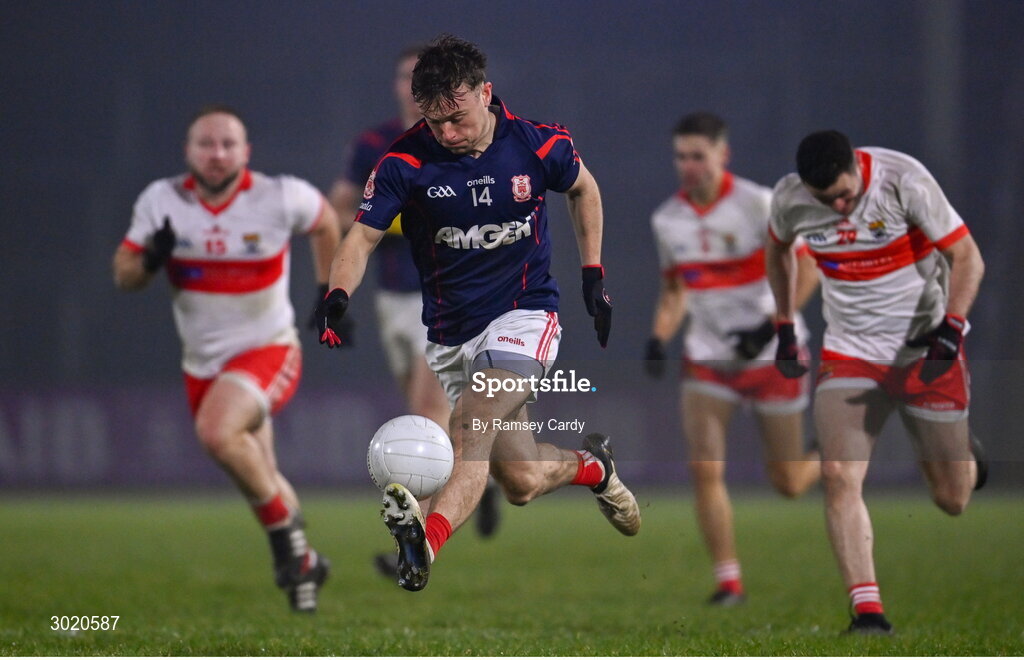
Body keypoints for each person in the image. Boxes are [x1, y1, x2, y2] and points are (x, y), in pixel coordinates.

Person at [315, 34, 641, 592]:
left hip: (524, 315)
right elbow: (361, 238)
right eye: (434, 122)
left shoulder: (540, 144)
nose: (447, 133)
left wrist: (593, 274)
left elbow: (584, 189)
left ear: (485, 93)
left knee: (469, 423)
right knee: (522, 479)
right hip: (450, 334)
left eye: (457, 118)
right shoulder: (404, 161)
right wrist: (336, 296)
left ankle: (425, 544)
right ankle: (594, 467)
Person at [113, 105, 340, 612]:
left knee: (217, 434)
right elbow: (123, 274)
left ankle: (287, 547)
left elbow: (325, 221)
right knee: (261, 469)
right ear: (188, 151)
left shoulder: (278, 194)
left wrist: (329, 292)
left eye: (227, 144)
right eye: (206, 144)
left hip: (269, 349)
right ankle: (306, 573)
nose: (217, 154)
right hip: (202, 365)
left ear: (246, 152)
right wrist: (150, 259)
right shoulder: (161, 200)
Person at [766, 130, 987, 634]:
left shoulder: (903, 179)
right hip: (851, 351)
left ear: (858, 168)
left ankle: (969, 461)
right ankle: (868, 612)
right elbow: (777, 252)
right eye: (828, 201)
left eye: (846, 195)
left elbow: (968, 257)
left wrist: (951, 332)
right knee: (840, 473)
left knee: (953, 499)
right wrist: (783, 326)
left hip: (925, 347)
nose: (840, 207)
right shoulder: (791, 198)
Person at [328, 46, 502, 558]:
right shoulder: (377, 145)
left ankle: (416, 540)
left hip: (447, 298)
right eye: (405, 77)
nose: (412, 86)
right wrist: (388, 220)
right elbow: (340, 212)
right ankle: (481, 482)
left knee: (425, 416)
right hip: (392, 297)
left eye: (420, 77)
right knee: (426, 413)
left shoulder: (464, 143)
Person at [645, 112, 822, 607]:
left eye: (698, 155)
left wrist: (771, 327)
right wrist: (660, 337)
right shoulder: (668, 219)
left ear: (724, 155)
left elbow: (808, 271)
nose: (688, 165)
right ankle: (729, 582)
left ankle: (830, 453)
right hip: (707, 359)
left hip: (772, 356)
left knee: (787, 483)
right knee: (705, 469)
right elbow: (676, 290)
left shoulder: (759, 203)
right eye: (681, 156)